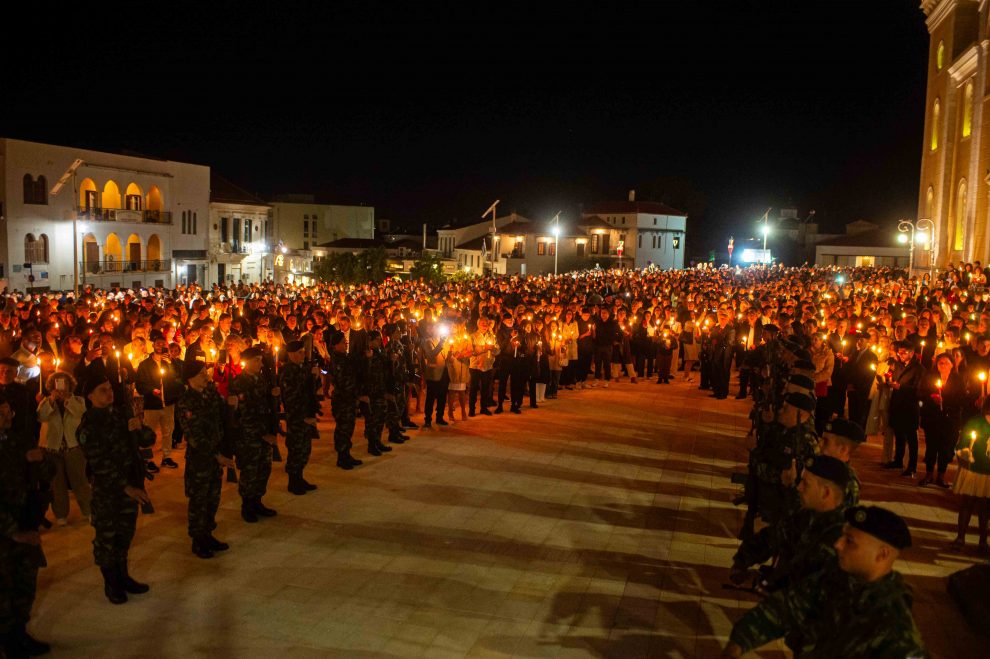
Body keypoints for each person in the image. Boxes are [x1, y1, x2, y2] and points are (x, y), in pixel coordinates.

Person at [723, 506, 926, 658]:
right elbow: (783, 608)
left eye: (849, 541)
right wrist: (738, 643)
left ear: (882, 554)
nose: (837, 545)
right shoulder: (834, 578)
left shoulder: (896, 627)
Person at [77, 377, 151, 604]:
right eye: (102, 390)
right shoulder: (89, 425)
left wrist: (139, 427)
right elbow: (100, 465)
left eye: (110, 389)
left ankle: (123, 576)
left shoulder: (119, 415)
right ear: (90, 396)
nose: (109, 394)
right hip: (108, 493)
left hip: (130, 488)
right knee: (107, 540)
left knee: (124, 536)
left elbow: (148, 440)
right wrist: (126, 487)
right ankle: (112, 583)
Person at [0, 393, 54, 657]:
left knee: (25, 585)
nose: (7, 416)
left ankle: (19, 633)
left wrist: (40, 460)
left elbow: (44, 476)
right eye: (1, 413)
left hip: (26, 523)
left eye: (7, 411)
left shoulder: (19, 440)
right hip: (6, 533)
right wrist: (13, 531)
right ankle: (7, 641)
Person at [177, 360, 235, 558]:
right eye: (201, 373)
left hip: (215, 457)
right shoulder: (186, 401)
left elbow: (223, 415)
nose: (206, 375)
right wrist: (216, 456)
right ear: (190, 378)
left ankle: (208, 533)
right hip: (200, 460)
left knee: (213, 498)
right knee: (199, 501)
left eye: (205, 371)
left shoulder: (210, 393)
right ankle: (198, 539)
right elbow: (194, 436)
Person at [228, 346, 278, 523]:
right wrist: (262, 434)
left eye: (260, 359)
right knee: (250, 472)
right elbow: (243, 415)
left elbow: (266, 407)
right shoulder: (238, 383)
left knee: (264, 469)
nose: (260, 363)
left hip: (265, 434)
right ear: (247, 362)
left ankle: (257, 501)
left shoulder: (262, 379)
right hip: (249, 437)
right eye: (256, 360)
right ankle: (247, 506)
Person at [37, 371, 92, 526]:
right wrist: (52, 402)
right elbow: (41, 417)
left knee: (79, 480)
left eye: (65, 383)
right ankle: (60, 514)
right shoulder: (46, 401)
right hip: (52, 447)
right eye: (58, 383)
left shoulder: (78, 400)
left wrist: (68, 400)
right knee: (57, 484)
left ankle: (89, 510)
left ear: (70, 385)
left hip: (73, 446)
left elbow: (81, 413)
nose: (61, 386)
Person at [919, 352, 968, 488]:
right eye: (941, 363)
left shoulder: (958, 379)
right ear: (937, 365)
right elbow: (921, 393)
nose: (944, 365)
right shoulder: (929, 377)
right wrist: (931, 398)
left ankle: (941, 475)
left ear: (952, 365)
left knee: (945, 448)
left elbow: (962, 399)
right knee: (931, 447)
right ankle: (928, 474)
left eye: (947, 363)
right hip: (933, 418)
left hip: (950, 420)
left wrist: (944, 401)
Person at [279, 340, 319, 493]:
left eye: (303, 351)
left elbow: (310, 393)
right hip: (296, 418)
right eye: (300, 352)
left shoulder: (303, 368)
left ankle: (300, 478)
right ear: (291, 354)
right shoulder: (287, 372)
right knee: (296, 450)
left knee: (305, 449)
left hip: (306, 416)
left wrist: (314, 377)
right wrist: (303, 416)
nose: (303, 355)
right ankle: (293, 481)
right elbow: (292, 397)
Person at [952, 398, 990, 553]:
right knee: (967, 503)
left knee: (986, 507)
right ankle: (960, 538)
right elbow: (963, 442)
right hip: (972, 469)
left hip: (988, 472)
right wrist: (964, 452)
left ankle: (983, 541)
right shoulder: (976, 423)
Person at [883, 340, 925, 477]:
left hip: (910, 407)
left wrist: (900, 387)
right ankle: (898, 460)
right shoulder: (898, 365)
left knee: (911, 438)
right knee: (899, 435)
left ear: (912, 353)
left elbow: (919, 390)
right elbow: (894, 379)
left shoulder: (919, 369)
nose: (900, 355)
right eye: (899, 352)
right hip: (897, 405)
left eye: (904, 353)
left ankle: (912, 466)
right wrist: (888, 380)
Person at [329, 332, 362, 470]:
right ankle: (341, 457)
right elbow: (342, 381)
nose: (345, 344)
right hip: (342, 399)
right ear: (336, 345)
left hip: (349, 398)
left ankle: (346, 454)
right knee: (343, 428)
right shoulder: (337, 360)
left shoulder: (345, 358)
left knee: (349, 427)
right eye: (343, 342)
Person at [468, 316, 498, 415]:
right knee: (473, 389)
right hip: (475, 366)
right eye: (482, 324)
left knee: (485, 389)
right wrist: (484, 348)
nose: (485, 326)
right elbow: (471, 351)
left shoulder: (492, 336)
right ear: (478, 324)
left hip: (488, 365)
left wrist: (493, 349)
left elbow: (498, 350)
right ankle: (472, 409)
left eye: (486, 324)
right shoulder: (473, 336)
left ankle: (484, 408)